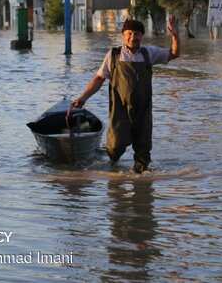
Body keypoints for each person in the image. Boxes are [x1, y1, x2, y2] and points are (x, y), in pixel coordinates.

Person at [69, 16, 180, 173]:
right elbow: (99, 78)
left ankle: (141, 181)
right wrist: (83, 98)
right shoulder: (114, 55)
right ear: (123, 35)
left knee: (143, 148)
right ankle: (113, 173)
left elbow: (174, 54)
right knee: (115, 145)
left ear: (142, 35)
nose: (132, 37)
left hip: (143, 109)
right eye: (129, 33)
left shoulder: (149, 53)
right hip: (119, 109)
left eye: (136, 34)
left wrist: (175, 35)